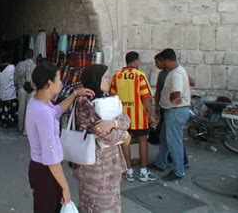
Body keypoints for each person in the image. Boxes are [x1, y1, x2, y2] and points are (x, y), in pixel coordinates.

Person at [26, 62, 94, 213]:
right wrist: (66, 187)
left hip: (41, 169)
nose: (61, 83)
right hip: (46, 172)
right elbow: (50, 157)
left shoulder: (37, 101)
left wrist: (75, 94)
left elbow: (56, 111)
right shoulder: (43, 112)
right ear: (50, 83)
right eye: (59, 79)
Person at [73, 64, 131, 213]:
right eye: (105, 77)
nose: (108, 80)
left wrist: (113, 123)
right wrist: (123, 134)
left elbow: (126, 119)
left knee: (112, 206)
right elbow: (104, 135)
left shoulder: (107, 98)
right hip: (95, 170)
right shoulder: (83, 102)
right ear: (95, 79)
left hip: (111, 165)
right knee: (97, 207)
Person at [110, 51, 157, 182]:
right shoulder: (140, 76)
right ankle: (143, 172)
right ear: (136, 61)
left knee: (125, 142)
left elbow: (112, 96)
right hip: (139, 117)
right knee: (143, 141)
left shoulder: (117, 76)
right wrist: (151, 114)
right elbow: (146, 97)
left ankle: (129, 172)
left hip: (122, 116)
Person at [150, 48, 191, 181]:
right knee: (164, 138)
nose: (157, 65)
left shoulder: (176, 74)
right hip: (172, 111)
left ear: (166, 60)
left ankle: (178, 171)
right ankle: (160, 162)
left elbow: (176, 93)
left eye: (158, 62)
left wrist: (175, 102)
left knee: (174, 142)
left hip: (175, 111)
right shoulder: (177, 71)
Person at [15, 49, 36, 135]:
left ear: (25, 56)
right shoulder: (35, 66)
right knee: (29, 110)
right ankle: (26, 131)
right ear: (33, 56)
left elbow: (15, 78)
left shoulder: (19, 65)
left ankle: (20, 127)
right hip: (31, 91)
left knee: (21, 109)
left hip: (21, 89)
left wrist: (17, 86)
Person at [0, 53, 18, 128]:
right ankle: (11, 122)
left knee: (3, 108)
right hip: (11, 92)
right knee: (11, 108)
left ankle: (4, 122)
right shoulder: (12, 67)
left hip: (2, 92)